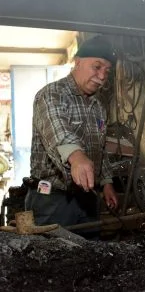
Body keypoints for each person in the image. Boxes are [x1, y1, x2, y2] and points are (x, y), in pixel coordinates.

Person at [25, 36, 118, 227]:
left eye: (106, 71)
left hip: (87, 199)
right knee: (54, 254)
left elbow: (100, 149)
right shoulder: (52, 95)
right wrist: (76, 157)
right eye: (97, 66)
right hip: (52, 201)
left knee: (92, 253)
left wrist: (107, 182)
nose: (102, 76)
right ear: (78, 62)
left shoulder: (98, 106)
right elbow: (57, 129)